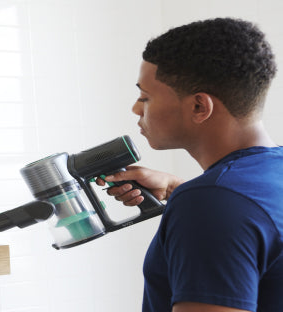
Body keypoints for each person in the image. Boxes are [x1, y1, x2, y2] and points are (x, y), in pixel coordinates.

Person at [98, 18, 283, 312]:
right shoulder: (268, 177)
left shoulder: (210, 202)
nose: (136, 108)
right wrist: (177, 187)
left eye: (145, 97)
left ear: (199, 107)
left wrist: (199, 199)